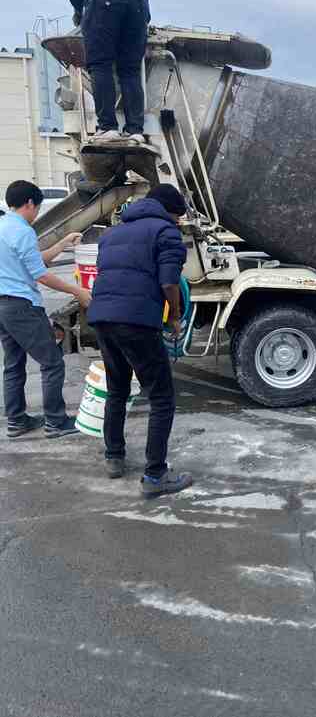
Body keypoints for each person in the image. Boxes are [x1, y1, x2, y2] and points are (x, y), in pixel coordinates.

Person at [87, 184, 193, 498]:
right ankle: (156, 475)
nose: (177, 223)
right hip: (136, 321)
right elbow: (169, 282)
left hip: (102, 319)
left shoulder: (111, 234)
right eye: (177, 217)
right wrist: (174, 316)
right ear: (171, 212)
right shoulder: (166, 233)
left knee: (117, 389)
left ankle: (114, 457)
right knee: (161, 397)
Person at [0, 180, 92, 439]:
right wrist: (78, 291)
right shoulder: (23, 231)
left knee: (13, 364)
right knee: (52, 362)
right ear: (29, 203)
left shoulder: (3, 226)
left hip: (3, 306)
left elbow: (35, 260)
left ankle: (17, 421)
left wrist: (64, 242)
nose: (36, 213)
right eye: (37, 208)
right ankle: (56, 421)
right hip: (22, 306)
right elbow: (40, 275)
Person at [67, 0, 150, 144]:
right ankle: (135, 131)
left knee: (100, 63)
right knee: (130, 70)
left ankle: (108, 128)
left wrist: (79, 10)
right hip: (140, 10)